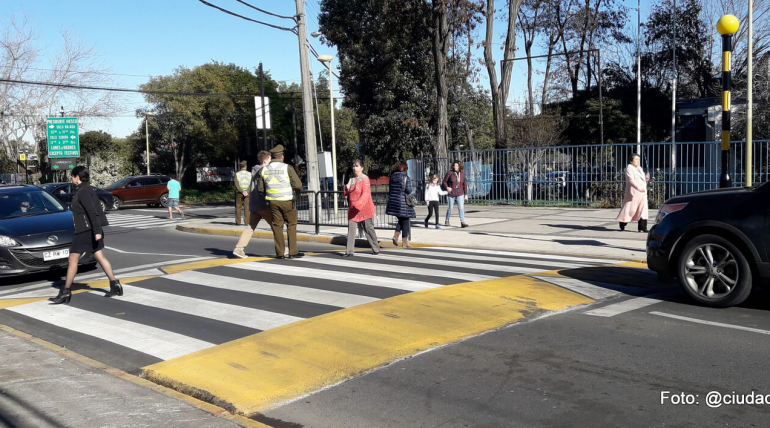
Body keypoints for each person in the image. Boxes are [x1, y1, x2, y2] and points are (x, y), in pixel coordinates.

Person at [51, 166, 121, 304]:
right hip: (90, 230)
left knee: (72, 259)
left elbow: (92, 212)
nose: (71, 179)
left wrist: (96, 231)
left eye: (72, 176)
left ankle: (66, 291)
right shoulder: (87, 189)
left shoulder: (83, 191)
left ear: (77, 177)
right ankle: (115, 284)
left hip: (86, 231)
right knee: (99, 256)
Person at [257, 145, 304, 259]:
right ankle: (292, 251)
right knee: (291, 225)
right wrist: (294, 190)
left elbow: (260, 189)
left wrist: (270, 194)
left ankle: (280, 253)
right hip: (287, 200)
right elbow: (298, 185)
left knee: (277, 226)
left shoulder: (264, 170)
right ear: (281, 156)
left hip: (273, 202)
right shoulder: (287, 168)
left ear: (272, 157)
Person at [233, 150, 273, 258]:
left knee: (250, 227)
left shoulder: (254, 170)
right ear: (265, 160)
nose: (271, 160)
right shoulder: (265, 170)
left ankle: (239, 248)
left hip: (253, 203)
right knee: (276, 226)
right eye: (270, 158)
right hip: (263, 203)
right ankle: (283, 248)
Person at [343, 159, 379, 257]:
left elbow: (365, 195)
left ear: (362, 168)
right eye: (354, 166)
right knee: (351, 230)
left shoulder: (365, 179)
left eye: (357, 166)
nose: (355, 168)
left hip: (364, 208)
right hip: (353, 209)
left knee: (368, 229)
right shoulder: (351, 179)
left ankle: (375, 247)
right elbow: (347, 193)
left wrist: (357, 204)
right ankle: (349, 251)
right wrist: (346, 188)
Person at [616, 153, 650, 232]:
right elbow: (631, 180)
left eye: (639, 159)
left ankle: (643, 227)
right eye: (636, 159)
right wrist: (638, 187)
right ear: (631, 161)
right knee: (630, 209)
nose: (638, 161)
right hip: (634, 193)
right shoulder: (629, 168)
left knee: (643, 210)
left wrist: (646, 178)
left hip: (642, 193)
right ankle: (623, 223)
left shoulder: (640, 168)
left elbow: (641, 179)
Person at [386, 161, 416, 249]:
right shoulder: (406, 177)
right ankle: (405, 242)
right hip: (403, 203)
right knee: (406, 221)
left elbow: (391, 190)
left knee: (401, 220)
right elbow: (408, 191)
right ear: (405, 168)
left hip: (394, 202)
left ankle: (396, 237)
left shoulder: (392, 177)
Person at [443, 160, 469, 228]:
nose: (455, 167)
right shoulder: (450, 173)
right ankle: (447, 220)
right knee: (450, 208)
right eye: (454, 165)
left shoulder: (462, 174)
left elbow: (464, 184)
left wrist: (466, 194)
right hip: (451, 193)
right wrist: (447, 187)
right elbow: (444, 182)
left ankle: (462, 222)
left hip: (460, 193)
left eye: (457, 166)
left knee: (461, 207)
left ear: (460, 166)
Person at [234, 160, 251, 225]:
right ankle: (247, 222)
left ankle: (238, 222)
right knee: (247, 207)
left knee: (238, 207)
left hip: (239, 193)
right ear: (245, 166)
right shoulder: (249, 174)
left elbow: (236, 184)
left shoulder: (237, 174)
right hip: (247, 193)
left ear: (240, 167)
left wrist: (242, 191)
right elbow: (251, 184)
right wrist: (247, 191)